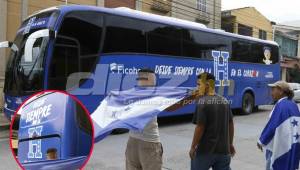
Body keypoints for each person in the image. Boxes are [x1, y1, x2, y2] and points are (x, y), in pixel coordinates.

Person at [190, 72, 235, 170]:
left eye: (198, 85)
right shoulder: (225, 101)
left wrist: (193, 147)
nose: (196, 88)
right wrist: (230, 144)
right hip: (224, 152)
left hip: (205, 152)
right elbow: (230, 124)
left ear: (206, 85)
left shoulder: (202, 102)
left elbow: (200, 127)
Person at [257, 81, 300, 170]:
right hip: (290, 144)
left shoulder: (280, 105)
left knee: (274, 164)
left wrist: (261, 140)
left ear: (281, 91)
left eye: (273, 89)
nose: (271, 92)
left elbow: (272, 126)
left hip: (277, 146)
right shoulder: (293, 105)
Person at [125, 68, 163, 170]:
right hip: (149, 142)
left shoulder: (130, 94)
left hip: (132, 142)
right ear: (152, 79)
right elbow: (172, 107)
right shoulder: (154, 96)